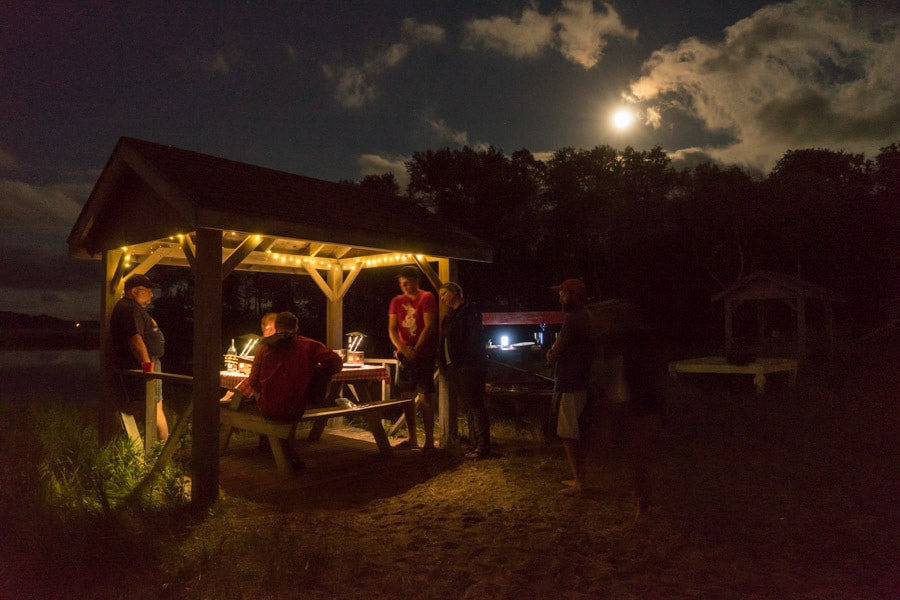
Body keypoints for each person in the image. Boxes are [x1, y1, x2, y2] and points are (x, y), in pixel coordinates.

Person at [248, 311, 343, 470]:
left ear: (276, 328)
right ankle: (285, 451)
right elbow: (336, 363)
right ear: (297, 327)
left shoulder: (263, 347)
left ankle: (276, 448)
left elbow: (253, 381)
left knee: (262, 401)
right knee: (289, 406)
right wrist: (319, 372)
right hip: (297, 406)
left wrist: (264, 391)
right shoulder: (310, 345)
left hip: (269, 407)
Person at [546, 278, 594, 496]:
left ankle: (580, 482)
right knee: (577, 431)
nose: (560, 297)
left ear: (573, 295)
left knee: (568, 432)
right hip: (582, 379)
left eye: (563, 293)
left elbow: (555, 352)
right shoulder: (587, 316)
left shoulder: (573, 320)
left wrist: (551, 353)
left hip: (570, 380)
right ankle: (581, 478)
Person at [109, 273, 169, 441]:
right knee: (153, 406)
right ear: (134, 291)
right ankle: (162, 448)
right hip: (144, 364)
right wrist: (148, 368)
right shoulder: (130, 309)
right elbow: (136, 341)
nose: (151, 294)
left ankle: (156, 446)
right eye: (148, 290)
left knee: (155, 405)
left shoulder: (133, 309)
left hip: (147, 362)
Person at [438, 281, 492, 459]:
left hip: (469, 366)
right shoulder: (451, 315)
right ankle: (474, 443)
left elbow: (473, 339)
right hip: (455, 366)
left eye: (444, 294)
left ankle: (483, 446)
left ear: (454, 292)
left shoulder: (469, 311)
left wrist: (466, 362)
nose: (442, 298)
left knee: (476, 404)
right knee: (469, 405)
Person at [388, 265, 437, 450]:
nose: (405, 286)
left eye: (408, 282)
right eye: (402, 283)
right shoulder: (396, 301)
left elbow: (429, 325)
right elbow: (392, 328)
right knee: (406, 397)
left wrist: (415, 349)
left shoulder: (427, 297)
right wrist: (402, 348)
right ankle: (412, 438)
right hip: (404, 355)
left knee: (425, 397)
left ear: (416, 281)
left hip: (424, 354)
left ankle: (430, 441)